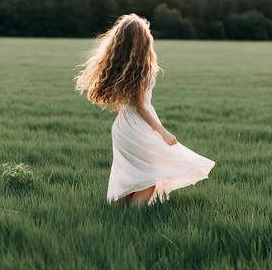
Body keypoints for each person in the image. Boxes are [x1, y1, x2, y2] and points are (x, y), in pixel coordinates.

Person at [75, 13, 215, 208]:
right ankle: (134, 219)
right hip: (139, 127)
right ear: (144, 41)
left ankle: (117, 216)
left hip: (123, 127)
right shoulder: (143, 69)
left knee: (128, 174)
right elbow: (140, 106)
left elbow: (127, 104)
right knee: (151, 174)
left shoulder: (119, 66)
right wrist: (163, 132)